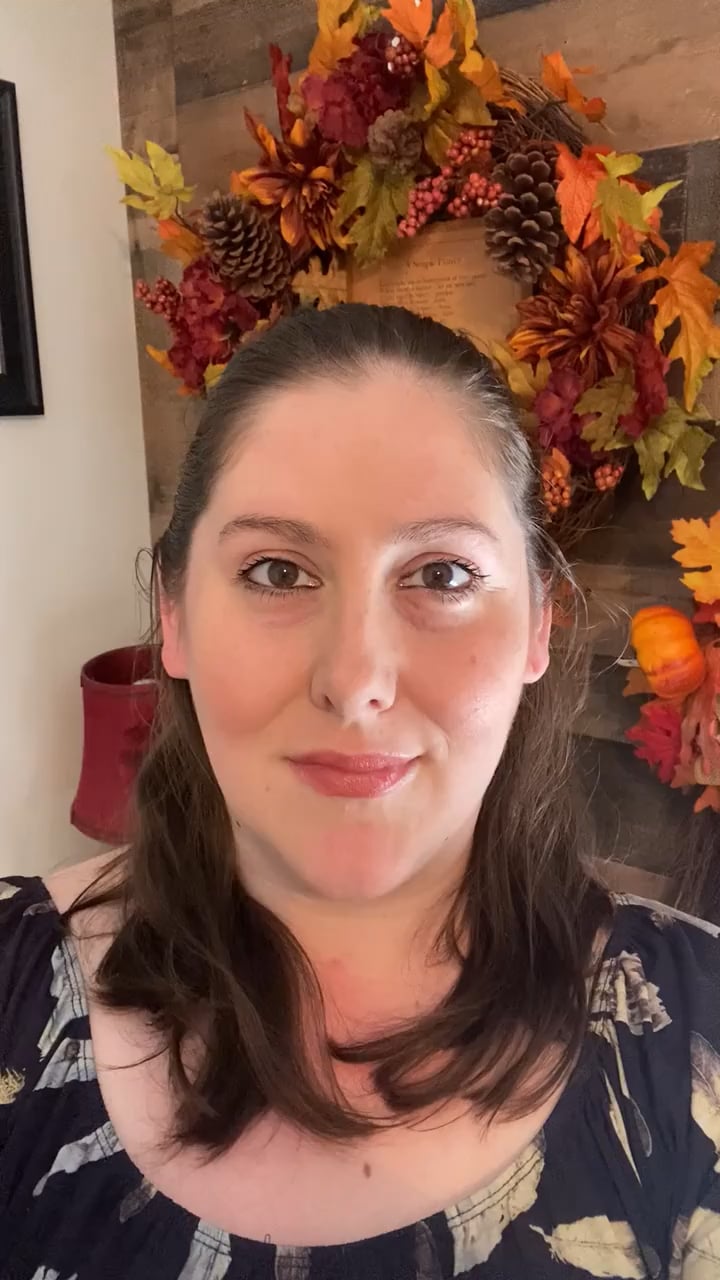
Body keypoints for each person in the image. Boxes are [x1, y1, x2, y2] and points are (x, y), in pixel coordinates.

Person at [1, 304, 719, 1279]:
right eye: (276, 571)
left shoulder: (700, 1027)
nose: (355, 679)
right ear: (174, 616)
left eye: (441, 573)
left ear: (537, 628)